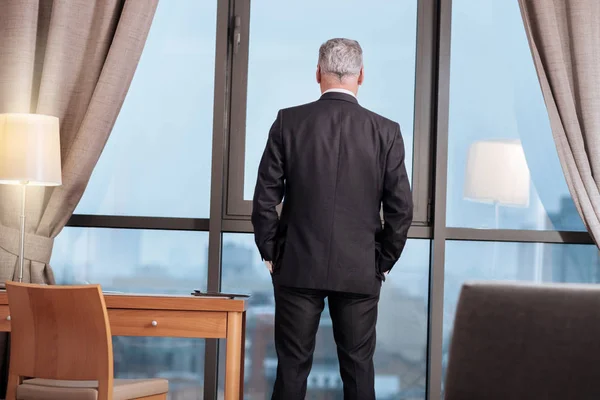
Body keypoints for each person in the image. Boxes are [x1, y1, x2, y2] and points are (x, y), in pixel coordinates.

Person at [251, 38, 413, 400]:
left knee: (292, 368)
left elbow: (265, 198)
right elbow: (401, 209)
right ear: (361, 76)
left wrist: (272, 252)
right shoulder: (386, 131)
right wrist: (381, 262)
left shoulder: (288, 122)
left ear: (318, 73)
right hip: (359, 268)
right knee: (358, 370)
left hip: (297, 264)